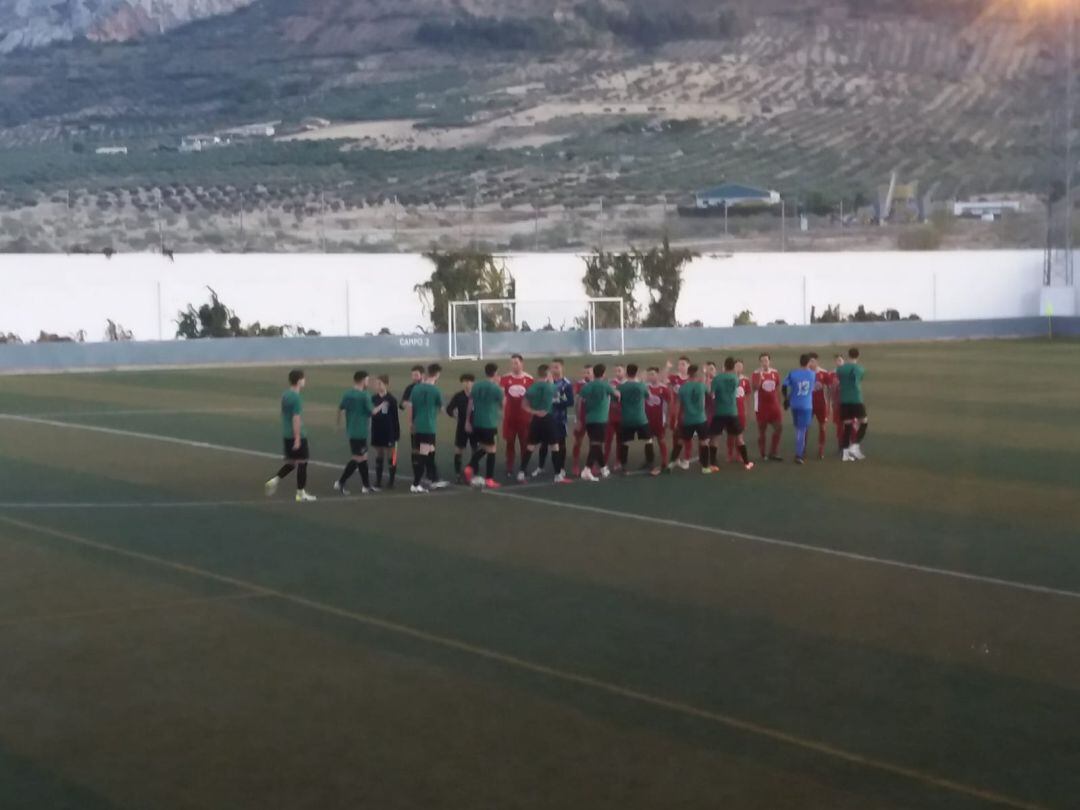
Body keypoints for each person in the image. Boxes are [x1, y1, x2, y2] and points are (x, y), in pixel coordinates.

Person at [265, 368, 316, 501]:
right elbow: (296, 418)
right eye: (304, 378)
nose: (305, 381)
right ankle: (300, 493)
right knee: (303, 463)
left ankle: (275, 480)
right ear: (299, 381)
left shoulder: (285, 395)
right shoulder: (296, 398)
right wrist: (298, 438)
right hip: (296, 435)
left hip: (286, 434)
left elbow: (283, 413)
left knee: (292, 463)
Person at [520, 364, 570, 484]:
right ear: (548, 374)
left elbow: (524, 405)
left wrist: (534, 411)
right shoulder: (551, 387)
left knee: (530, 446)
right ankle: (558, 475)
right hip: (548, 418)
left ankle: (521, 472)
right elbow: (558, 398)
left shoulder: (532, 388)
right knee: (554, 446)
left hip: (536, 419)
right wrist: (551, 382)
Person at [405, 363, 449, 492]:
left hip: (417, 425)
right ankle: (416, 484)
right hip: (428, 427)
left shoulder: (416, 388)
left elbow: (410, 406)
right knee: (423, 455)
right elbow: (442, 409)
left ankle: (434, 479)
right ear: (437, 374)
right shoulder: (435, 390)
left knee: (430, 451)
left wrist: (410, 423)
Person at [334, 371, 376, 494]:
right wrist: (380, 407)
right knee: (358, 458)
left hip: (352, 430)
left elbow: (340, 408)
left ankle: (366, 486)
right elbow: (372, 412)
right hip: (360, 431)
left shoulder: (348, 394)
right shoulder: (364, 395)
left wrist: (337, 424)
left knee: (363, 458)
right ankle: (340, 482)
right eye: (367, 380)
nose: (368, 382)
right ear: (363, 380)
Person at [710, 357, 754, 471]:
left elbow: (712, 394)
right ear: (733, 367)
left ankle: (713, 464)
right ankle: (747, 463)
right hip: (732, 412)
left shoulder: (717, 379)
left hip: (719, 412)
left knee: (715, 438)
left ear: (724, 366)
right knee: (739, 438)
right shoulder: (735, 379)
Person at [464, 363, 504, 489]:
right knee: (492, 450)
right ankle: (489, 479)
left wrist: (467, 421)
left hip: (477, 422)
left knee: (483, 447)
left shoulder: (476, 386)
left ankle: (470, 467)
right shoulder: (497, 388)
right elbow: (503, 405)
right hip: (489, 422)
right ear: (496, 373)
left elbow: (470, 403)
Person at [617, 364, 660, 476]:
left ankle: (623, 467)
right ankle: (651, 466)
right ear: (636, 373)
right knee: (648, 440)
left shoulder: (621, 387)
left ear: (627, 373)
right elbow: (648, 397)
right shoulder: (642, 386)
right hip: (641, 419)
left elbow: (616, 399)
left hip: (626, 419)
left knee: (625, 443)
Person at [578, 364, 617, 482]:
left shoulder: (587, 386)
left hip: (589, 420)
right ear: (604, 373)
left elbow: (580, 401)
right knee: (596, 445)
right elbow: (616, 395)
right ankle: (587, 469)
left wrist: (579, 418)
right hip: (601, 420)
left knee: (596, 444)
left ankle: (604, 468)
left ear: (594, 373)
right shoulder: (606, 385)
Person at [536, 358, 574, 478]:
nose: (554, 369)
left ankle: (561, 468)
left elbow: (570, 402)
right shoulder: (545, 383)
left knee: (560, 444)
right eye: (552, 367)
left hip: (559, 420)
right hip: (546, 418)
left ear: (562, 368)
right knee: (543, 444)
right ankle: (540, 467)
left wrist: (556, 402)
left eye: (556, 367)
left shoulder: (566, 384)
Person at [500, 354, 534, 479]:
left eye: (516, 363)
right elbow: (502, 397)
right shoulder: (505, 379)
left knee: (525, 444)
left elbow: (531, 398)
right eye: (512, 363)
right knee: (510, 443)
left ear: (521, 363)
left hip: (524, 418)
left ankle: (523, 468)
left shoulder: (529, 379)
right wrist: (503, 410)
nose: (514, 365)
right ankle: (509, 467)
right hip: (509, 418)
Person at [782, 354, 817, 465]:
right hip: (806, 405)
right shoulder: (812, 374)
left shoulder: (793, 373)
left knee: (798, 428)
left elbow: (784, 386)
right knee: (802, 430)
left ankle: (799, 452)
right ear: (808, 363)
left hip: (794, 404)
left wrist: (786, 398)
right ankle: (799, 455)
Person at [836, 347, 869, 462]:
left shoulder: (840, 369)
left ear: (848, 355)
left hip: (844, 400)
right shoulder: (860, 369)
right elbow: (858, 380)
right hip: (856, 399)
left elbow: (840, 379)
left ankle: (845, 454)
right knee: (864, 422)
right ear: (858, 356)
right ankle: (854, 446)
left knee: (847, 426)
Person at [677, 364, 711, 473]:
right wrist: (706, 376)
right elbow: (709, 391)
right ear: (697, 374)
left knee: (682, 440)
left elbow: (679, 405)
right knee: (704, 442)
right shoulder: (701, 386)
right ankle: (705, 467)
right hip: (701, 419)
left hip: (687, 419)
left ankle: (672, 462)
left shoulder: (682, 388)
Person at [370, 374, 400, 489]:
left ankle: (391, 481)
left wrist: (396, 434)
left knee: (392, 455)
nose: (377, 386)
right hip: (377, 430)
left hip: (389, 431)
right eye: (376, 384)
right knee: (379, 454)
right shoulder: (373, 398)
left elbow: (395, 418)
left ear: (386, 385)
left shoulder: (391, 399)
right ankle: (378, 480)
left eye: (380, 384)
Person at [753, 352, 784, 461]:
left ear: (769, 361)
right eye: (762, 361)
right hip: (762, 407)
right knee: (762, 431)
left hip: (774, 407)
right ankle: (763, 453)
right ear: (760, 362)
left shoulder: (775, 373)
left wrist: (779, 403)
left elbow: (778, 387)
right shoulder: (756, 373)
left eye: (766, 360)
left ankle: (773, 452)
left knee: (779, 428)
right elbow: (755, 387)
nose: (765, 363)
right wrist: (760, 378)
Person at [446, 373, 475, 481]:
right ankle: (458, 473)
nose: (467, 384)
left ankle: (472, 471)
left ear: (473, 383)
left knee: (475, 449)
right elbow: (449, 409)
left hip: (475, 427)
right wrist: (454, 416)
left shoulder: (477, 395)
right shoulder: (458, 396)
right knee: (459, 449)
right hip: (462, 426)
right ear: (462, 383)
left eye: (469, 382)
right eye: (465, 382)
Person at [400, 364, 425, 485]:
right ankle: (418, 476)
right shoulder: (410, 388)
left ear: (422, 375)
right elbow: (402, 404)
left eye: (416, 375)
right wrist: (409, 405)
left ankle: (429, 475)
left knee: (426, 450)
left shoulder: (427, 387)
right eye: (412, 375)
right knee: (416, 450)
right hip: (415, 424)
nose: (414, 377)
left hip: (426, 425)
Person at [645, 366, 672, 474]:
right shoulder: (645, 387)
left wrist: (668, 419)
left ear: (657, 374)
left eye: (652, 374)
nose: (651, 376)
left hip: (660, 419)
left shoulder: (664, 389)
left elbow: (669, 404)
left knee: (661, 440)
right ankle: (649, 461)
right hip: (647, 419)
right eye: (649, 374)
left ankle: (664, 462)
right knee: (648, 440)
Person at [666, 355, 691, 467]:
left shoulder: (691, 379)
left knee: (687, 436)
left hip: (688, 411)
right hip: (675, 411)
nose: (680, 367)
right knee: (675, 434)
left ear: (688, 366)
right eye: (679, 364)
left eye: (683, 364)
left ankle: (686, 458)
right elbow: (663, 379)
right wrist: (667, 367)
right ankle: (676, 458)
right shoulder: (675, 378)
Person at [570, 363, 593, 476]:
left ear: (593, 373)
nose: (586, 374)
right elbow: (576, 402)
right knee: (577, 442)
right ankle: (575, 464)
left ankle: (591, 465)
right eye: (584, 372)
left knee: (594, 442)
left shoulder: (597, 384)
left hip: (594, 418)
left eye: (588, 372)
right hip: (581, 418)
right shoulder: (579, 385)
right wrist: (577, 419)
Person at [727, 359, 752, 463]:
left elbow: (747, 395)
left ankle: (739, 455)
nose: (738, 368)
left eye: (740, 366)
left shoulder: (745, 380)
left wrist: (747, 410)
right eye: (736, 366)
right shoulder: (728, 379)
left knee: (739, 434)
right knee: (730, 435)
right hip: (730, 411)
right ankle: (729, 454)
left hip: (741, 411)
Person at [808, 352, 831, 460]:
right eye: (809, 361)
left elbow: (830, 389)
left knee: (822, 426)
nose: (811, 363)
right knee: (806, 427)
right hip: (808, 404)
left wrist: (830, 404)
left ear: (817, 361)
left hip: (821, 404)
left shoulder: (824, 373)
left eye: (812, 361)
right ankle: (802, 447)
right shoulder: (805, 373)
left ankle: (821, 449)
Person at [604, 364, 626, 469]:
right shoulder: (611, 383)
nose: (617, 373)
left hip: (622, 417)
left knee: (620, 441)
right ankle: (604, 462)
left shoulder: (628, 384)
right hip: (611, 417)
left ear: (624, 371)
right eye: (616, 371)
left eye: (619, 371)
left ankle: (618, 461)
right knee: (608, 440)